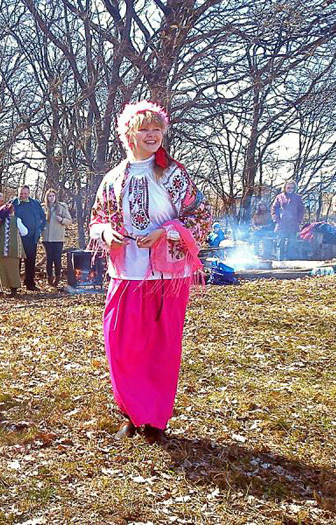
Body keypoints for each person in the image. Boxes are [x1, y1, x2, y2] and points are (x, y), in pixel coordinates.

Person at [89, 101, 211, 444]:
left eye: (157, 129)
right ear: (130, 134)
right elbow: (97, 220)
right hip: (127, 273)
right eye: (144, 129)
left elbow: (200, 216)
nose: (152, 135)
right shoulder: (113, 179)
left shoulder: (173, 174)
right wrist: (105, 234)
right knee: (121, 344)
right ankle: (130, 411)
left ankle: (154, 419)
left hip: (167, 277)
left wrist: (166, 232)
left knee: (160, 347)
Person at [12, 185, 45, 291]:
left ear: (29, 193)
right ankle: (14, 285)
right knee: (16, 261)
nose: (23, 195)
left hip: (31, 238)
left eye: (25, 193)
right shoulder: (12, 204)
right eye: (21, 193)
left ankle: (30, 283)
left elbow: (43, 218)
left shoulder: (35, 204)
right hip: (16, 238)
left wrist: (39, 230)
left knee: (30, 261)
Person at [0, 203, 28, 297]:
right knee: (13, 270)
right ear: (12, 211)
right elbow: (25, 232)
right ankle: (13, 290)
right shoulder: (16, 220)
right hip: (12, 249)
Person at [41, 189, 72, 287]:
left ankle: (58, 277)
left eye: (53, 196)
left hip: (58, 238)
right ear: (47, 197)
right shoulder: (43, 208)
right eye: (49, 196)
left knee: (57, 259)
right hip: (47, 238)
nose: (51, 198)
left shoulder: (61, 207)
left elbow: (69, 221)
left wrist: (62, 220)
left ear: (56, 197)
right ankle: (49, 277)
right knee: (49, 259)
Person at [271, 180, 305, 260]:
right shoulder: (279, 197)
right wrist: (276, 220)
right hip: (281, 223)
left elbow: (301, 210)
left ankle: (290, 261)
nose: (290, 189)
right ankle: (280, 261)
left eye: (292, 188)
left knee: (292, 244)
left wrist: (298, 220)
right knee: (280, 243)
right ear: (285, 187)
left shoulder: (297, 198)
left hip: (293, 224)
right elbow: (274, 208)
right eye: (288, 187)